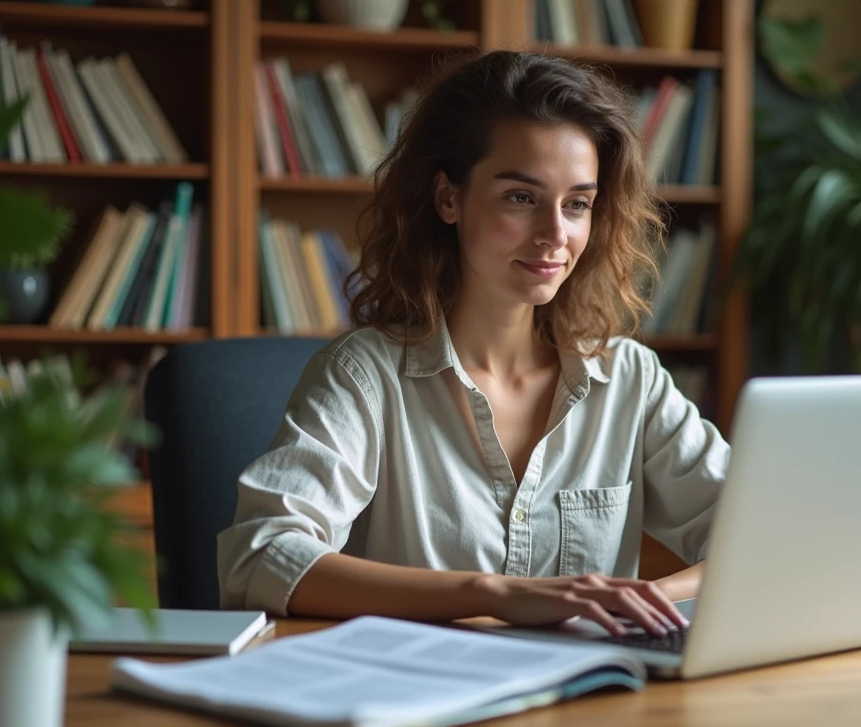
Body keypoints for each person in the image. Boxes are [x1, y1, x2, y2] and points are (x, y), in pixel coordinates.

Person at [217, 50, 730, 639]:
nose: (555, 235)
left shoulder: (631, 380)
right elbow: (259, 557)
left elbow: (769, 532)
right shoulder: (365, 376)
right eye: (520, 197)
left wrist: (638, 601)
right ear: (448, 199)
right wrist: (497, 595)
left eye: (578, 205)